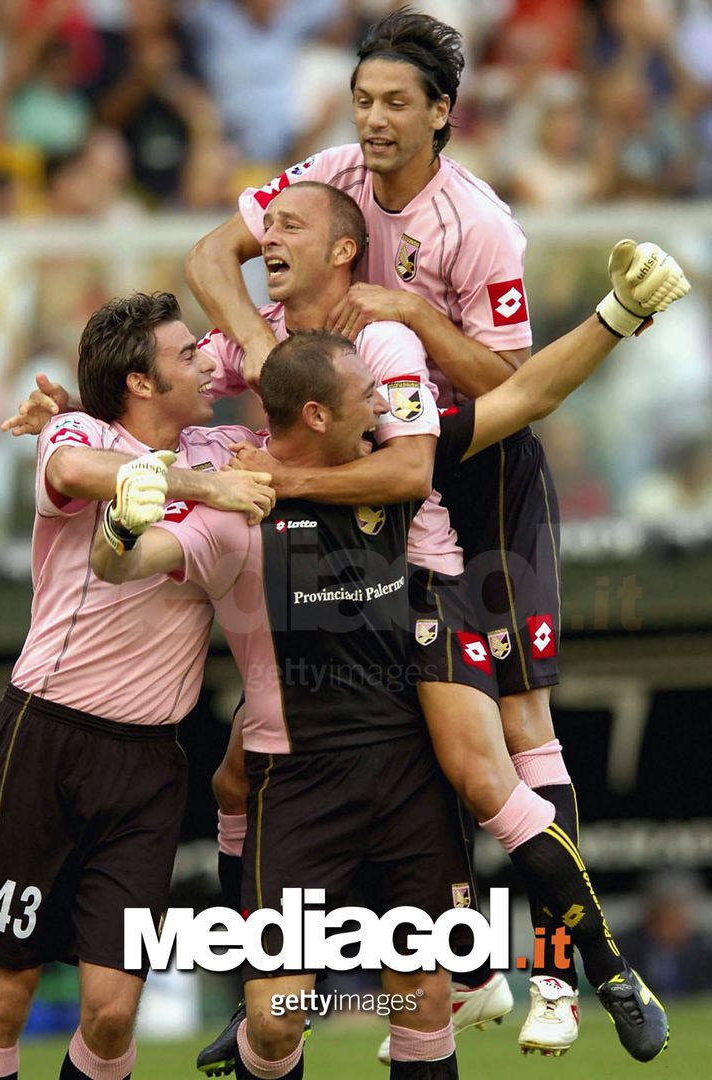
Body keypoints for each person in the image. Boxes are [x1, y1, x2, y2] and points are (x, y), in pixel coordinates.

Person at [101, 232, 686, 1074]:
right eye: (365, 398)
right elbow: (140, 484)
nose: (386, 406)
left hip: (412, 683)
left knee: (485, 785)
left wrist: (618, 314)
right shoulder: (232, 478)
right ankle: (267, 995)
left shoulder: (397, 459)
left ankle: (601, 970)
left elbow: (524, 397)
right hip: (302, 751)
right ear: (316, 414)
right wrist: (86, 443)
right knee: (247, 839)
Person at [181, 6, 598, 1047]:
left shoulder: (481, 222)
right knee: (254, 755)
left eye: (393, 103)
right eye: (363, 98)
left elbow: (516, 384)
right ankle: (434, 971)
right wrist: (269, 357)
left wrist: (417, 318)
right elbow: (206, 257)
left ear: (440, 114)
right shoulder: (326, 175)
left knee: (511, 731)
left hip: (476, 474)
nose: (370, 120)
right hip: (373, 486)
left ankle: (554, 971)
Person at [0, 292, 275, 1080]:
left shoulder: (216, 443)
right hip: (46, 737)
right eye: (185, 357)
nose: (205, 364)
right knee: (2, 996)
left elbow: (277, 364)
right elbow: (77, 469)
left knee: (112, 1013)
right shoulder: (78, 433)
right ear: (141, 384)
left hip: (149, 764)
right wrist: (208, 489)